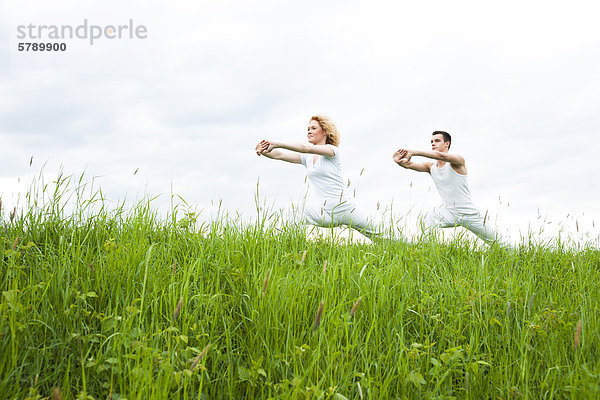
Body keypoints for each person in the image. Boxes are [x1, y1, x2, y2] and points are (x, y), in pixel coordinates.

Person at [255, 115, 383, 240]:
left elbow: (305, 148)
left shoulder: (332, 151)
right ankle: (288, 242)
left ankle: (401, 245)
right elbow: (280, 155)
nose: (309, 132)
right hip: (327, 212)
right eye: (308, 129)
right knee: (294, 209)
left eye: (313, 128)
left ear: (325, 131)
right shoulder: (308, 158)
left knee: (384, 235)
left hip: (346, 208)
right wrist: (265, 151)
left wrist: (277, 143)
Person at [393, 131, 502, 245]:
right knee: (429, 217)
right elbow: (409, 165)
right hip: (449, 212)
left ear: (447, 144)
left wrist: (414, 152)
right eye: (431, 141)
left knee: (500, 244)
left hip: (468, 212)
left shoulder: (457, 160)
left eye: (437, 141)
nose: (433, 143)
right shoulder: (430, 167)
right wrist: (398, 161)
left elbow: (441, 156)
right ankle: (428, 250)